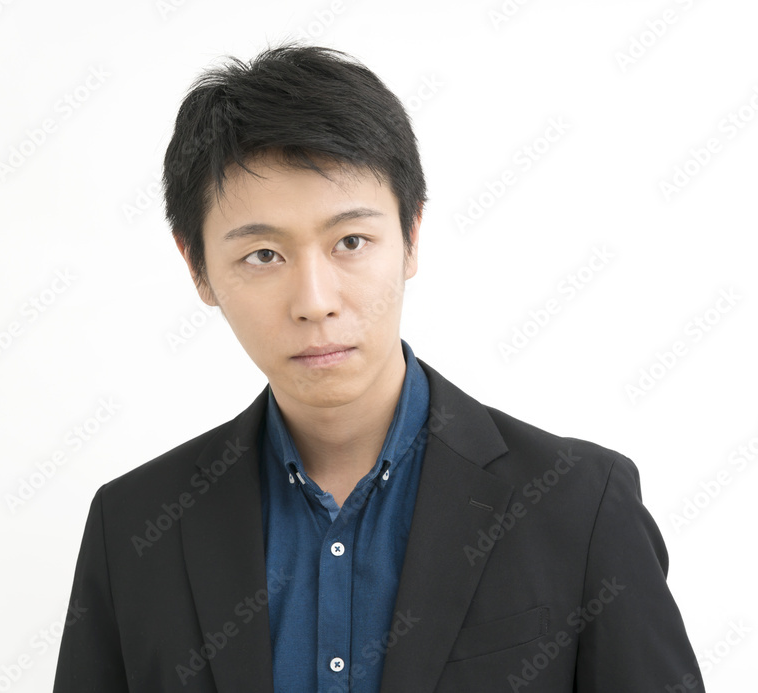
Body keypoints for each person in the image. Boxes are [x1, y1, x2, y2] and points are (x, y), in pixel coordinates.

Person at [53, 43, 705, 693]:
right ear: (198, 268)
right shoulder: (133, 527)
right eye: (262, 255)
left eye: (351, 241)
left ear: (411, 236)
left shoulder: (580, 505)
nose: (314, 302)